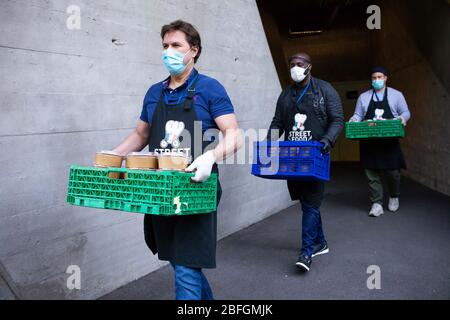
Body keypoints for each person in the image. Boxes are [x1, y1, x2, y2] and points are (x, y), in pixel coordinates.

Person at [112, 20, 241, 300]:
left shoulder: (209, 88)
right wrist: (114, 156)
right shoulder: (154, 92)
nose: (168, 51)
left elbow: (234, 134)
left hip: (196, 188)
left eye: (176, 45)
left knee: (184, 264)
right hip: (160, 189)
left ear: (193, 50)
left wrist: (211, 156)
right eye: (165, 46)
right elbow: (140, 134)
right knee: (180, 260)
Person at [267, 52, 344, 272]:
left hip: (316, 156)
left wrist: (327, 140)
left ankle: (306, 252)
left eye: (299, 64)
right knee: (306, 202)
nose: (295, 68)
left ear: (309, 66)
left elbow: (337, 119)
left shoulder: (325, 89)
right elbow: (277, 122)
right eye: (292, 64)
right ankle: (321, 242)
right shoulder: (286, 95)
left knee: (311, 203)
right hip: (293, 158)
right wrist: (268, 143)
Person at [350, 67, 411, 217]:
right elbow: (358, 114)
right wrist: (354, 120)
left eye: (379, 77)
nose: (376, 80)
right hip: (369, 141)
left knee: (393, 172)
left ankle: (394, 196)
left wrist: (402, 119)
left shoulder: (396, 95)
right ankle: (376, 203)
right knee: (371, 174)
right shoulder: (364, 97)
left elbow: (405, 112)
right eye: (373, 78)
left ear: (385, 78)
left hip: (389, 141)